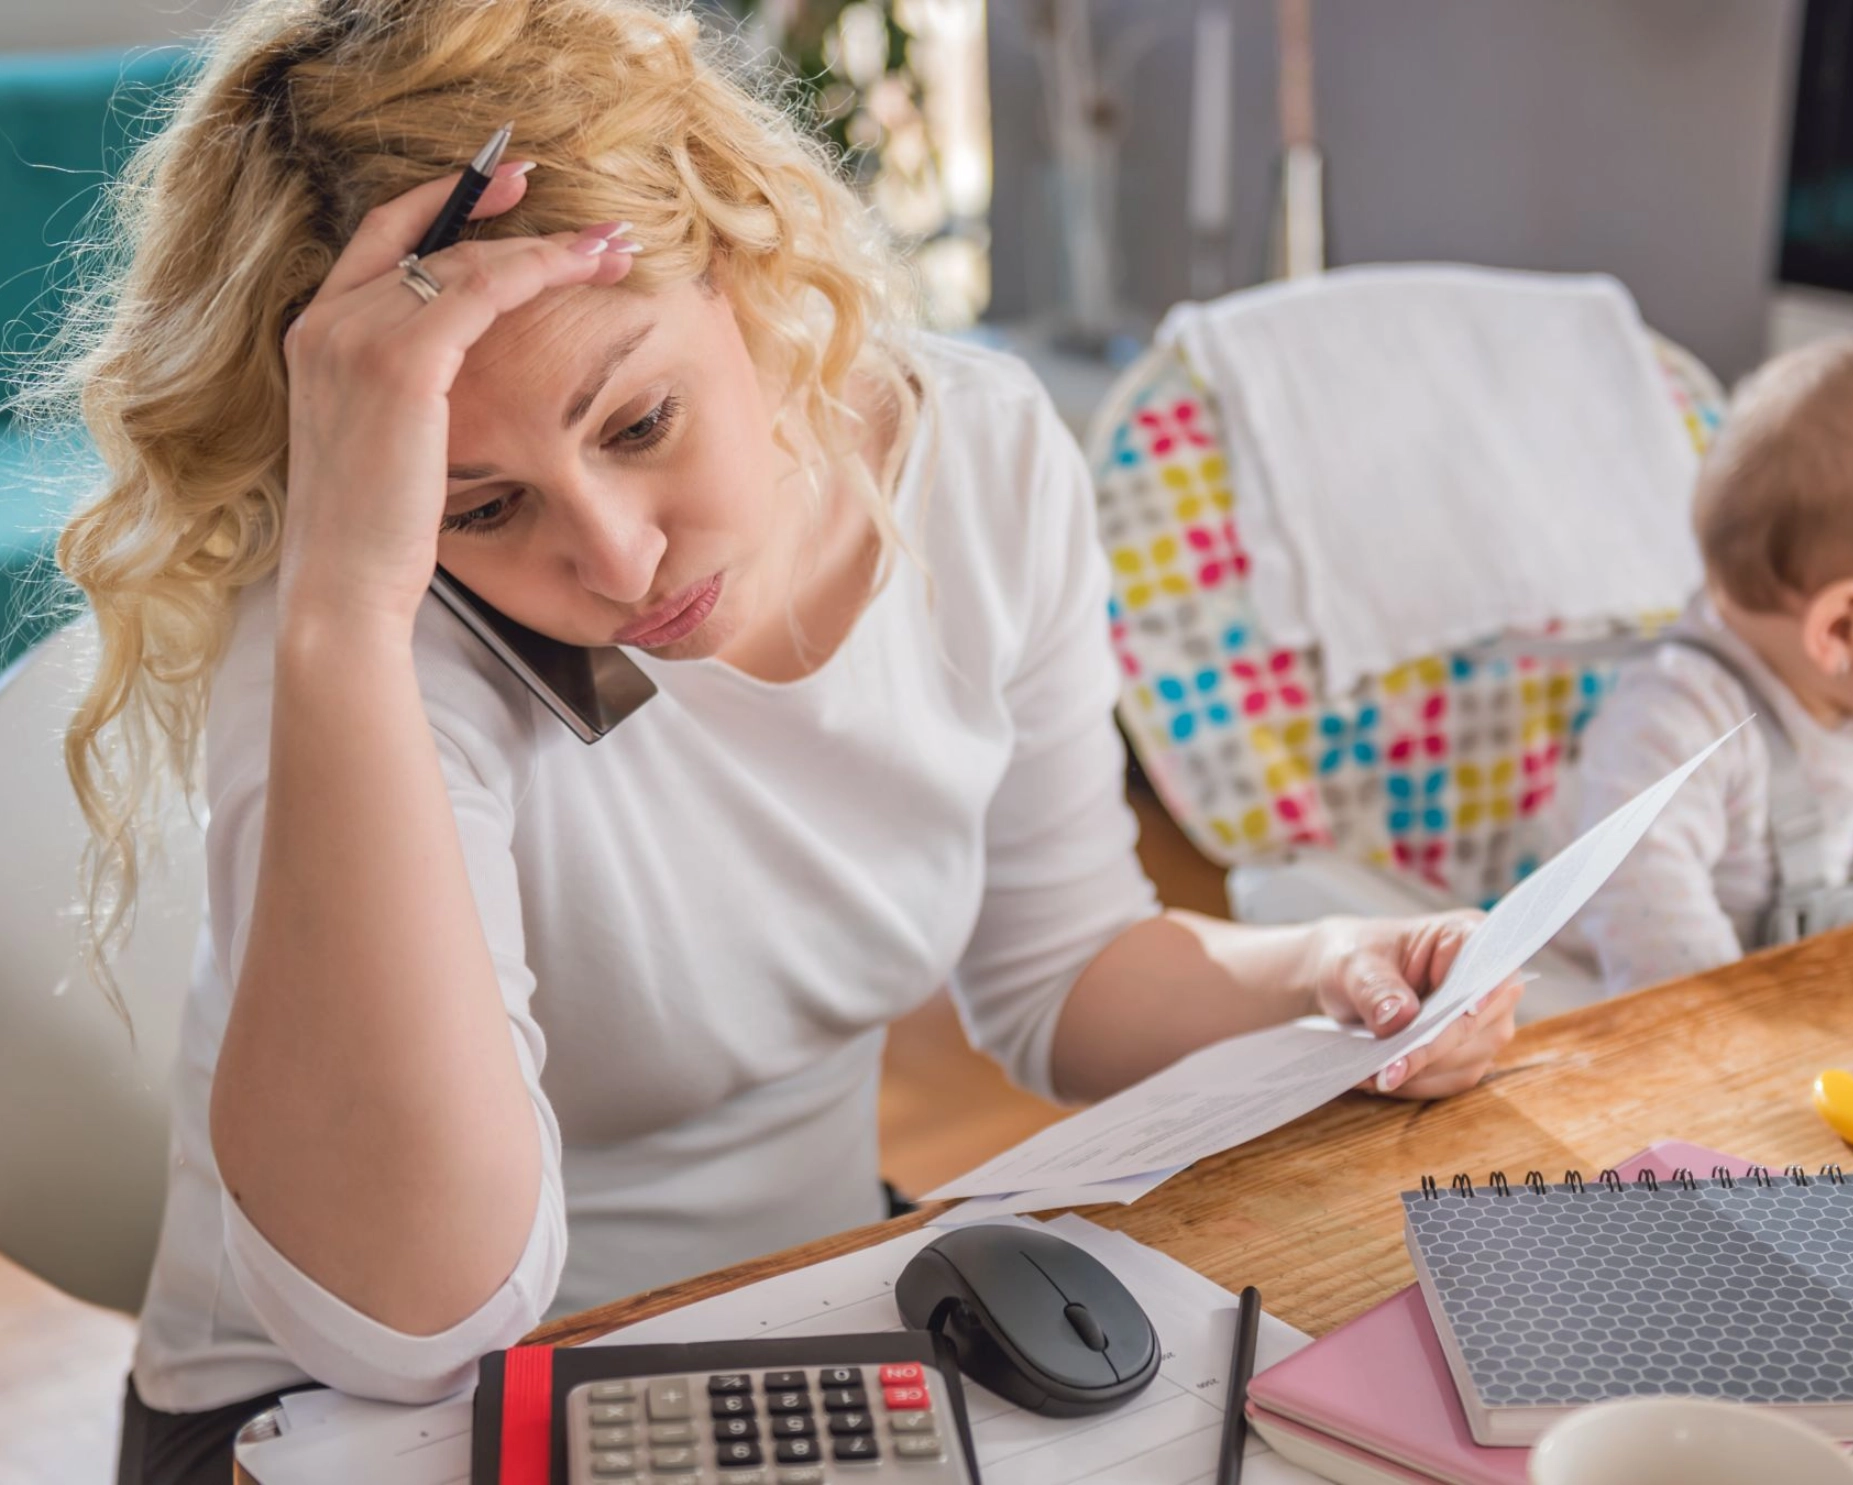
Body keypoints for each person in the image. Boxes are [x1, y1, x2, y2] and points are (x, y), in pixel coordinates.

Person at [25, 3, 1519, 1479]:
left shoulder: (980, 457)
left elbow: (1064, 968)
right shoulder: (361, 624)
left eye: (637, 421)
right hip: (337, 1423)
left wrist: (1322, 975)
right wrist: (347, 609)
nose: (613, 559)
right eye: (482, 504)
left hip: (798, 1321)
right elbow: (415, 1326)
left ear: (739, 256)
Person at [1574, 338, 1853, 995]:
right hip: (1685, 1039)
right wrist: (1731, 1041)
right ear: (1841, 627)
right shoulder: (1678, 722)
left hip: (1840, 1020)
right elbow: (1641, 907)